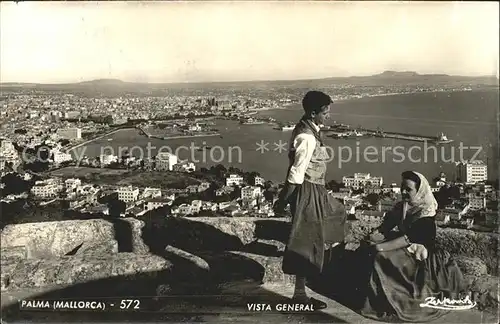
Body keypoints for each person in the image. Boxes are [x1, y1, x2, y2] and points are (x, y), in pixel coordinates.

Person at [351, 171, 467, 322]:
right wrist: (374, 235)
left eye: (408, 189)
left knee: (381, 256)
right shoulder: (401, 207)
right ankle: (379, 301)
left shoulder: (426, 211)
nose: (404, 192)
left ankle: (393, 303)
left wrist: (379, 247)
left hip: (420, 253)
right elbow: (386, 226)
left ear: (419, 191)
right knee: (367, 250)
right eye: (402, 188)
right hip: (405, 246)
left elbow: (409, 239)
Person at [274, 90, 346, 309]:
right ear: (314, 113)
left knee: (337, 215)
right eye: (325, 112)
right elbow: (296, 173)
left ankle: (321, 273)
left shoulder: (311, 129)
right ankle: (300, 294)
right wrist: (283, 201)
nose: (328, 116)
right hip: (308, 190)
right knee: (306, 240)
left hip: (316, 189)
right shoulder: (306, 137)